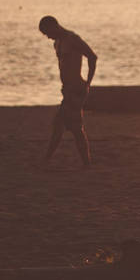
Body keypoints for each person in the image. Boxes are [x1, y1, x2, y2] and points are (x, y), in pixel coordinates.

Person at [39, 15, 97, 168]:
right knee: (74, 128)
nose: (48, 37)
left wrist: (88, 83)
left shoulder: (72, 39)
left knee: (60, 125)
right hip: (68, 90)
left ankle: (46, 160)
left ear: (54, 26)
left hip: (76, 89)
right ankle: (86, 163)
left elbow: (92, 57)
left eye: (47, 33)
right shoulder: (57, 43)